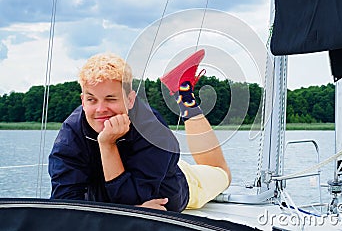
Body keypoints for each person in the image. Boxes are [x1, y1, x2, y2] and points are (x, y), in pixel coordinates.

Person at [48, 49, 231, 212]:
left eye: (111, 99)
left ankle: (183, 92)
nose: (100, 109)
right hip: (150, 160)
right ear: (82, 100)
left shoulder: (154, 130)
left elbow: (134, 200)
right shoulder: (70, 136)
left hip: (177, 179)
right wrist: (131, 211)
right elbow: (65, 205)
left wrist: (107, 144)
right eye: (92, 100)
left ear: (130, 99)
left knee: (222, 173)